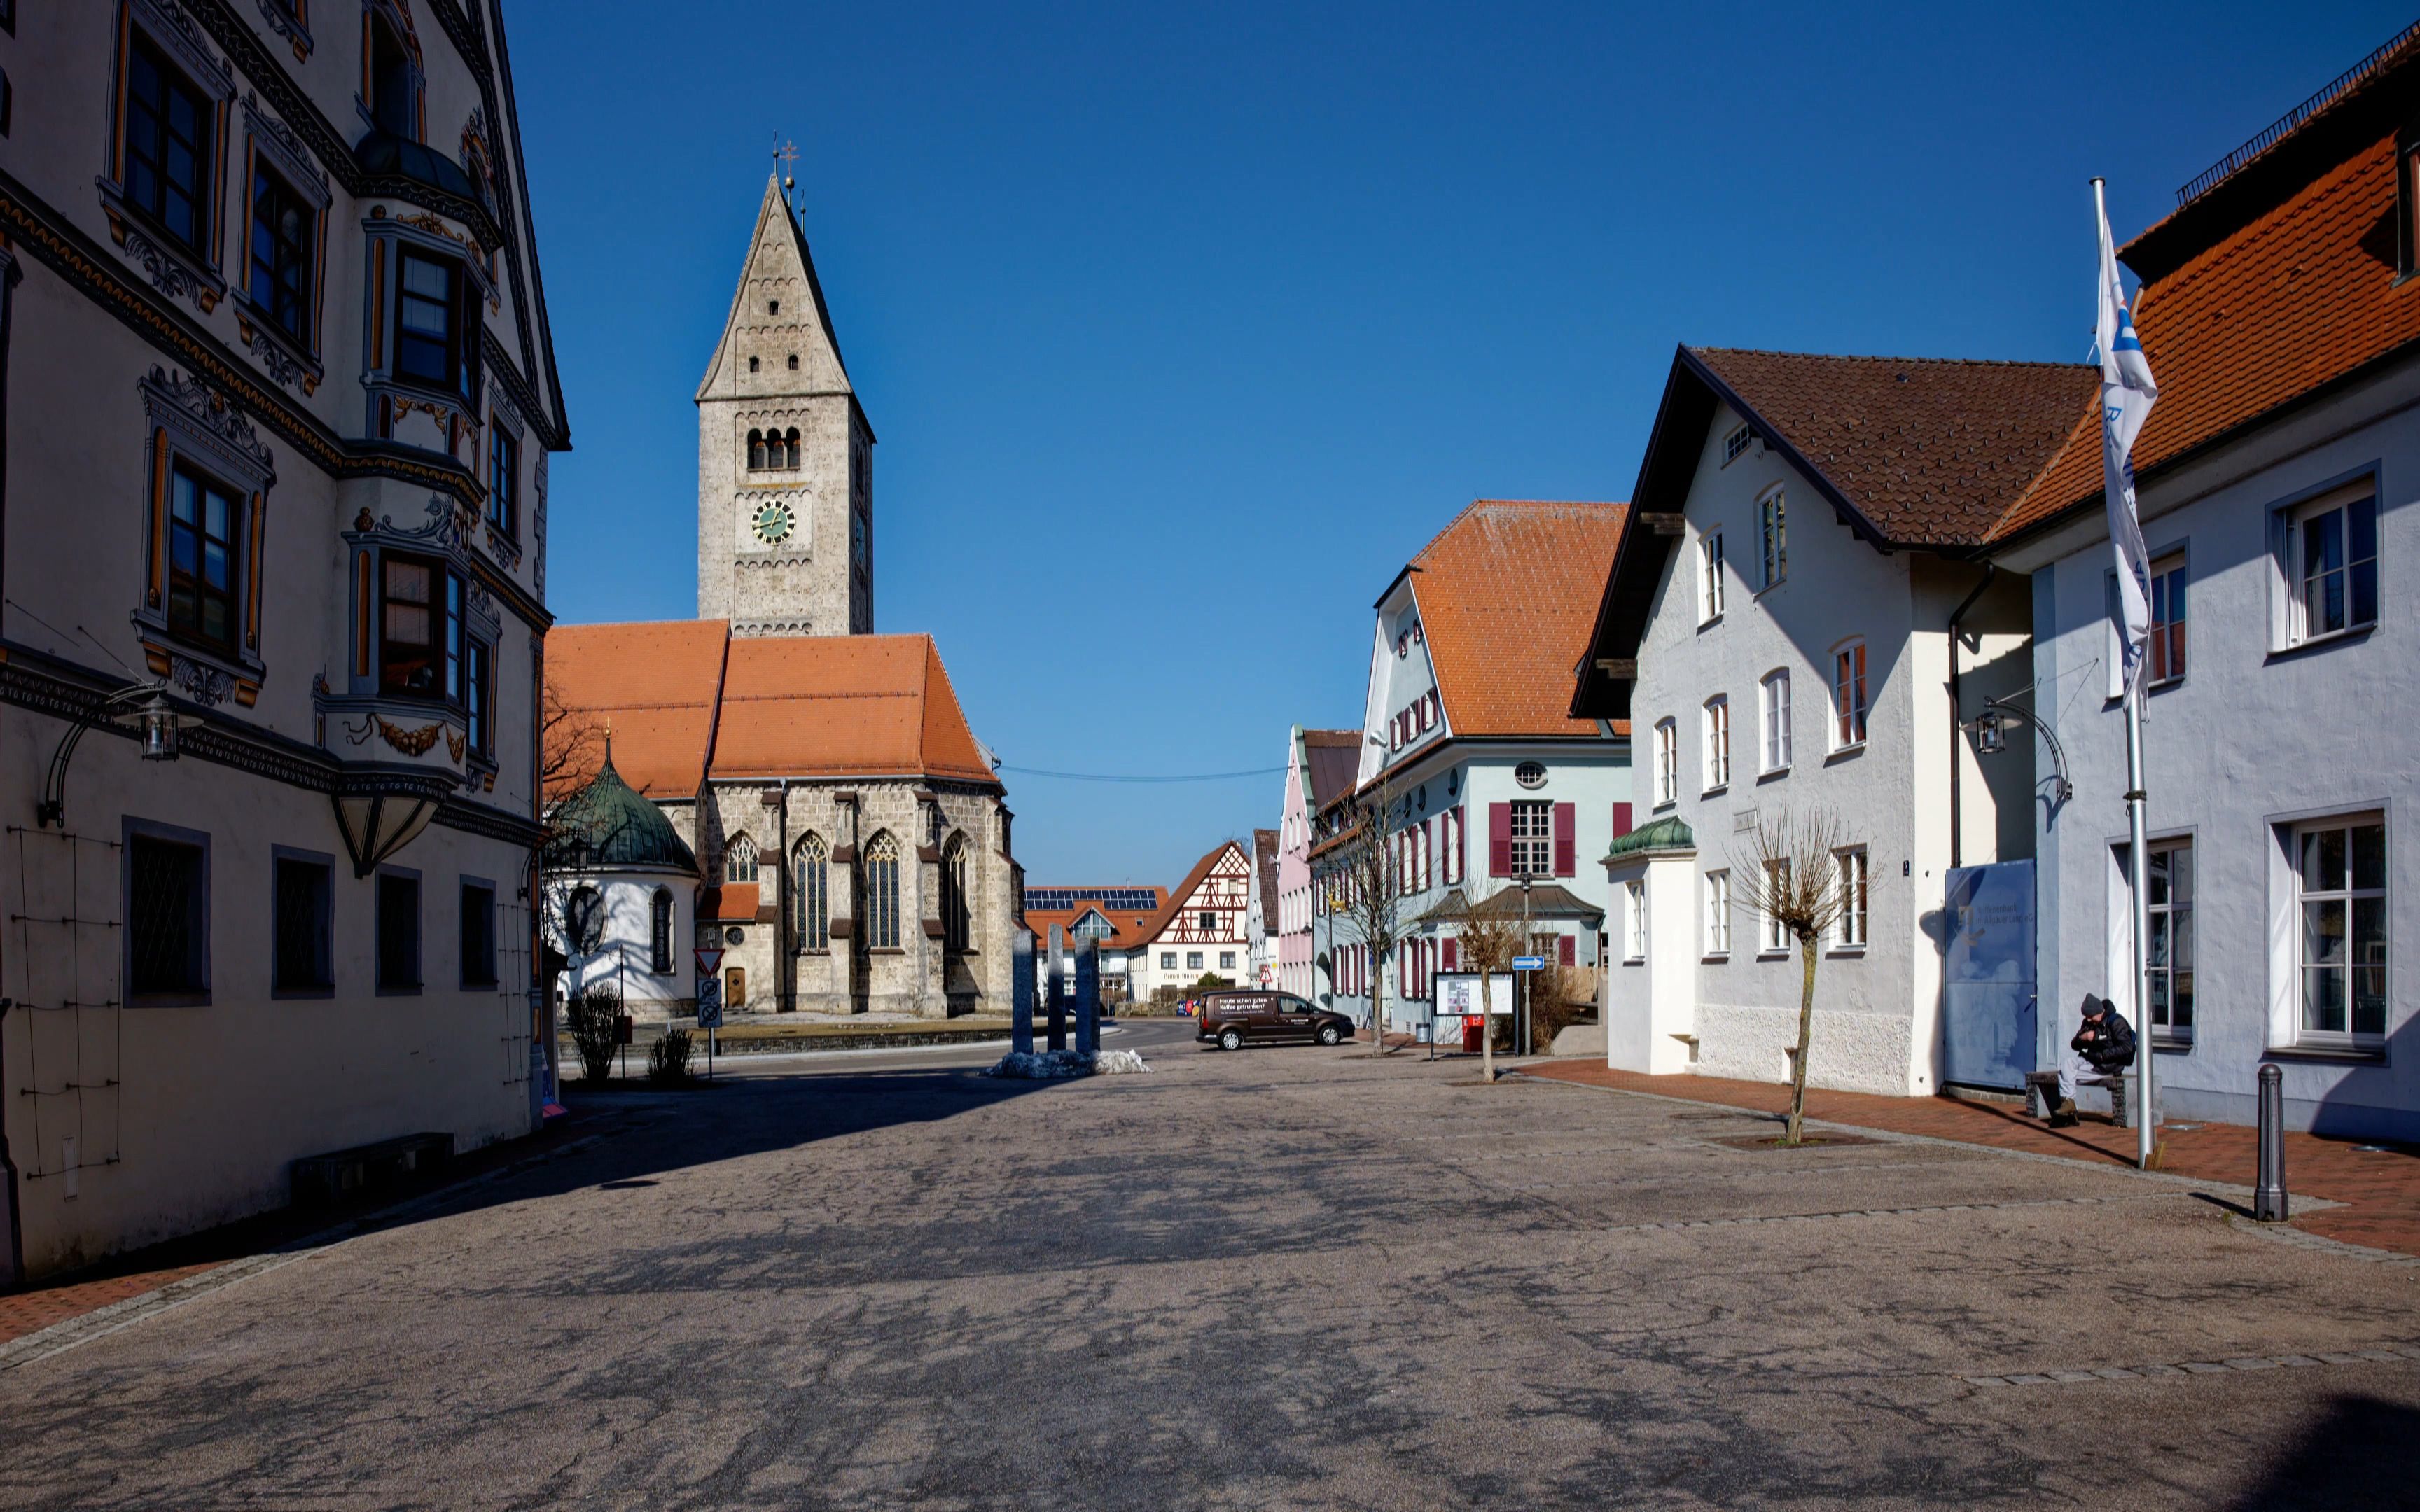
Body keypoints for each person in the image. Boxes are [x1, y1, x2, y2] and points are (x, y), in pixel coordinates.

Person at [2045, 993, 2137, 1128]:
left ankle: (2069, 1111)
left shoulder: (2117, 1022)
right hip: (2091, 1060)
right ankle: (2069, 1104)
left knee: (2064, 1075)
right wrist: (2083, 1038)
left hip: (2108, 1066)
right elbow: (2074, 1045)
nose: (2088, 1019)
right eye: (2086, 1017)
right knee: (2066, 1065)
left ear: (2099, 1012)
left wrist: (2100, 1049)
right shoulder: (2088, 1023)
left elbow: (2126, 1047)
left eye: (2090, 1016)